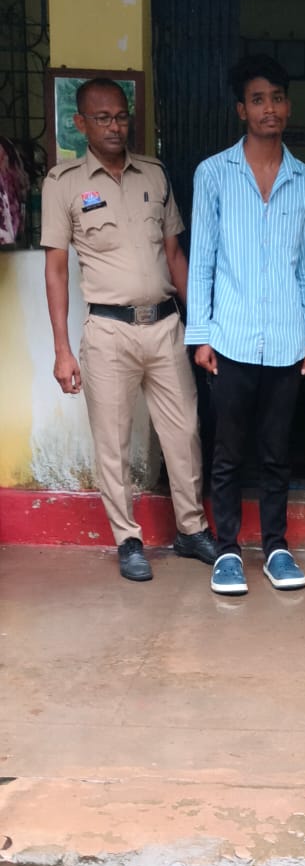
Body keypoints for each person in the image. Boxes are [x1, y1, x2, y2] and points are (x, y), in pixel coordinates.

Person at [42, 77, 215, 583]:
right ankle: (128, 539)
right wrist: (61, 350)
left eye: (121, 116)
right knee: (112, 442)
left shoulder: (154, 175)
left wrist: (202, 328)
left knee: (184, 433)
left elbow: (175, 255)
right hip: (108, 331)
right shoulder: (63, 183)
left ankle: (191, 529)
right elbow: (56, 269)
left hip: (165, 325)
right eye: (103, 118)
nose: (115, 126)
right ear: (81, 123)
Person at [186, 54, 305, 597]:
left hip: (287, 340)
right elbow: (202, 260)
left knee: (276, 452)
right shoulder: (214, 173)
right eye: (258, 99)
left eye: (278, 98)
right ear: (241, 109)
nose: (270, 108)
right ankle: (227, 549)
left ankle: (276, 548)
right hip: (231, 338)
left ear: (288, 106)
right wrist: (200, 335)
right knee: (227, 453)